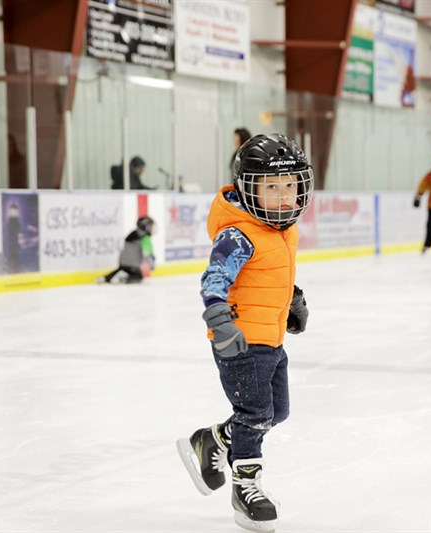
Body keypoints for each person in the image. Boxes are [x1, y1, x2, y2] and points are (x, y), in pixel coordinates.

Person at [176, 134, 314, 532]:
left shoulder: (284, 231)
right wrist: (219, 322)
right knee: (255, 415)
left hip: (271, 338)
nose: (284, 197)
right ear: (248, 189)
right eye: (272, 187)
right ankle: (246, 488)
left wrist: (291, 299)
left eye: (290, 186)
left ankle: (214, 440)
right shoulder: (239, 234)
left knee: (277, 411)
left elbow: (268, 275)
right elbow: (214, 280)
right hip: (239, 340)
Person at [97, 216, 155, 284]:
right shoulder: (145, 238)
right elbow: (147, 253)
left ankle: (105, 278)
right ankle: (123, 278)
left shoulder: (132, 233)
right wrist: (151, 264)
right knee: (138, 276)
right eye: (150, 226)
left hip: (123, 262)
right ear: (145, 227)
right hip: (133, 265)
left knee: (122, 269)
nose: (151, 229)